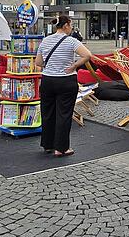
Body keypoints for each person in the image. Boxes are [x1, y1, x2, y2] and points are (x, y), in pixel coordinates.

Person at [35, 16, 92, 157]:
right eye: (71, 25)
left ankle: (47, 144)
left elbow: (38, 62)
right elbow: (87, 55)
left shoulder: (45, 41)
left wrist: (51, 65)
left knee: (47, 113)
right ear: (66, 25)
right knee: (64, 114)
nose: (71, 28)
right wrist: (74, 65)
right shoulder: (72, 41)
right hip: (66, 81)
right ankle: (61, 148)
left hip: (47, 81)